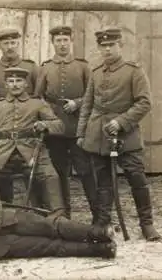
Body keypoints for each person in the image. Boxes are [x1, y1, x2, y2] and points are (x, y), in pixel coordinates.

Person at [76, 28, 161, 241]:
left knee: (136, 177)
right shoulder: (95, 73)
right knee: (102, 182)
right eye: (103, 46)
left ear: (120, 46)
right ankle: (103, 223)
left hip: (126, 136)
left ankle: (147, 224)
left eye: (111, 45)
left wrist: (121, 122)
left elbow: (144, 102)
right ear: (99, 48)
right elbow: (87, 105)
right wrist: (81, 133)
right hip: (98, 136)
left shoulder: (134, 71)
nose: (107, 49)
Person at [0, 67, 65, 214]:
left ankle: (58, 216)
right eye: (11, 81)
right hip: (2, 154)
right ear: (6, 85)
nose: (15, 85)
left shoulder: (37, 103)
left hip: (32, 152)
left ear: (26, 84)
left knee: (51, 177)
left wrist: (45, 125)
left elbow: (59, 125)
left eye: (19, 81)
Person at [35, 25, 97, 221]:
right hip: (55, 130)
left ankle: (98, 214)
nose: (62, 45)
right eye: (58, 41)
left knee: (86, 171)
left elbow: (92, 94)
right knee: (60, 172)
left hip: (78, 128)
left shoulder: (83, 66)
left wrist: (77, 103)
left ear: (71, 42)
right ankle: (65, 213)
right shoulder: (46, 67)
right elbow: (38, 96)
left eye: (65, 41)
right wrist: (47, 111)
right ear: (53, 43)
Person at [0, 28, 39, 100]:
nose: (10, 47)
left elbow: (38, 95)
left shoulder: (31, 67)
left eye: (13, 43)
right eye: (6, 43)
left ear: (18, 44)